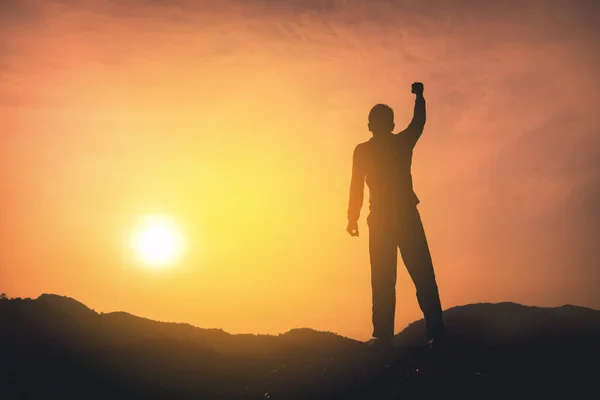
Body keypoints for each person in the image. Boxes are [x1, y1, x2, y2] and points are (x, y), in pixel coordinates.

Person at [347, 82, 444, 352]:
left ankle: (419, 334)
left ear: (378, 125)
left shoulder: (385, 146)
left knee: (403, 276)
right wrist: (352, 217)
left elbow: (418, 123)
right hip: (388, 218)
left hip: (395, 217)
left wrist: (420, 97)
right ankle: (393, 335)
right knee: (396, 276)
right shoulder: (373, 149)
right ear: (383, 124)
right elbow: (356, 184)